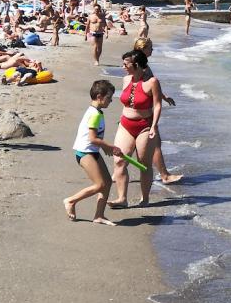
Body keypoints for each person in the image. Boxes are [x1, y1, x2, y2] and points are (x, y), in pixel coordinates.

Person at [64, 80, 123, 225]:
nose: (110, 101)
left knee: (107, 182)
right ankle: (71, 201)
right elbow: (92, 138)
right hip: (84, 153)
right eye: (109, 97)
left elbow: (95, 138)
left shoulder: (97, 112)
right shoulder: (95, 114)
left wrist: (104, 147)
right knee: (99, 185)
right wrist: (110, 146)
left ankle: (99, 216)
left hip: (92, 151)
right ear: (99, 96)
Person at [108, 49, 162, 208]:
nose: (123, 67)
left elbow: (157, 105)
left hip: (145, 126)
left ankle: (144, 199)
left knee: (143, 164)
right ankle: (121, 198)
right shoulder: (126, 79)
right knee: (119, 160)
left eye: (126, 64)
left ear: (136, 64)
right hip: (125, 125)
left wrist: (153, 126)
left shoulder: (152, 82)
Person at [133, 37, 182, 185]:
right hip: (145, 111)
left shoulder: (135, 65)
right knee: (155, 144)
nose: (152, 50)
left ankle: (118, 173)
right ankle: (164, 175)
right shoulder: (143, 68)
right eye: (150, 48)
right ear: (143, 49)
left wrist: (164, 96)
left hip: (136, 109)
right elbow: (148, 86)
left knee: (131, 146)